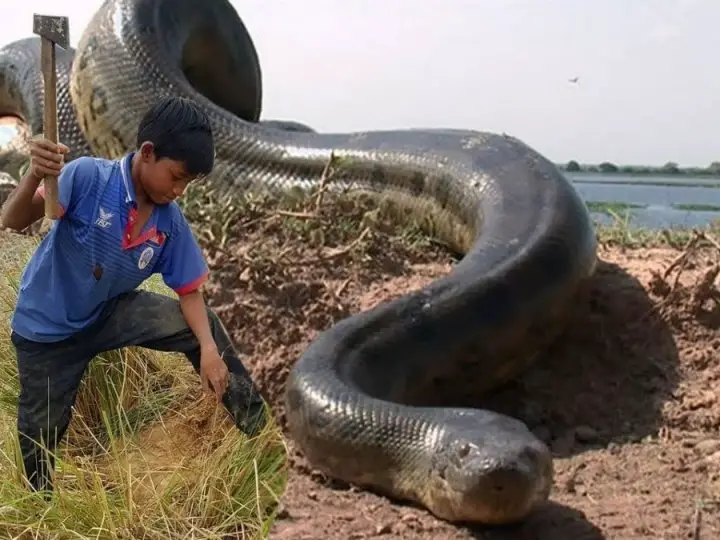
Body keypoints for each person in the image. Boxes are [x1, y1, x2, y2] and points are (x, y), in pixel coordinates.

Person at [0, 96, 268, 498]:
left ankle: (257, 429)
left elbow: (190, 292)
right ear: (147, 153)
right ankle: (41, 500)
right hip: (47, 331)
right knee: (41, 429)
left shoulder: (168, 221)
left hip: (107, 313)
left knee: (204, 327)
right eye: (176, 177)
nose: (179, 191)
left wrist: (210, 350)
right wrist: (34, 175)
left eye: (188, 184)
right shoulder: (88, 178)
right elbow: (12, 221)